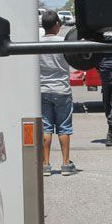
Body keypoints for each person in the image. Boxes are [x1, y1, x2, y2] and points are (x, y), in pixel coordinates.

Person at [39, 11, 76, 176]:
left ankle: (45, 165)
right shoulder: (64, 42)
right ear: (56, 25)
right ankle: (66, 164)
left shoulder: (36, 43)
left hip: (42, 90)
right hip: (62, 90)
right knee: (64, 128)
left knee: (45, 128)